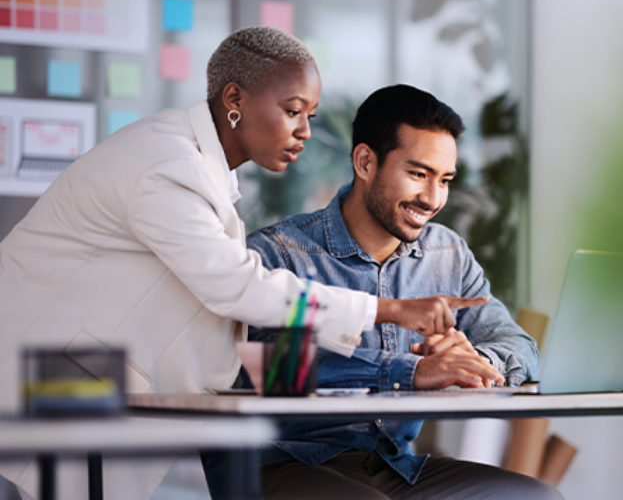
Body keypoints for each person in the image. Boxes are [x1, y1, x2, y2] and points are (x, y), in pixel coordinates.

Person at [0, 31, 481, 500]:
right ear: (235, 98)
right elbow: (241, 298)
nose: (306, 132)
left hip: (91, 378)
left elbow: (505, 340)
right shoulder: (173, 170)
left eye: (310, 115)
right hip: (51, 370)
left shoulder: (447, 254)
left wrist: (479, 365)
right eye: (292, 111)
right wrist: (391, 318)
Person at [205, 85, 563, 499]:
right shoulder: (280, 254)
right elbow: (260, 368)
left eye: (444, 179)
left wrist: (474, 361)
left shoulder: (446, 254)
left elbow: (520, 346)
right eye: (418, 174)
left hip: (393, 464)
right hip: (278, 461)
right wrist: (408, 371)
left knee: (537, 497)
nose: (432, 198)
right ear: (365, 162)